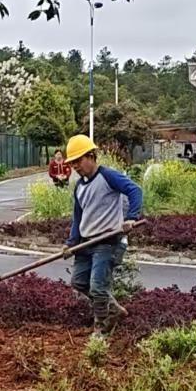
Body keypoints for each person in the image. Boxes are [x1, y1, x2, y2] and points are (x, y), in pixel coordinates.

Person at [65, 135, 143, 331]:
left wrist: (131, 217)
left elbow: (135, 191)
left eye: (78, 160)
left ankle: (101, 328)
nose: (75, 166)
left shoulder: (107, 176)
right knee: (79, 282)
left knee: (98, 288)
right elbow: (78, 216)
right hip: (85, 242)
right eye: (72, 162)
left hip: (106, 241)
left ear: (91, 156)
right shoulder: (79, 187)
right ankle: (114, 309)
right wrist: (71, 242)